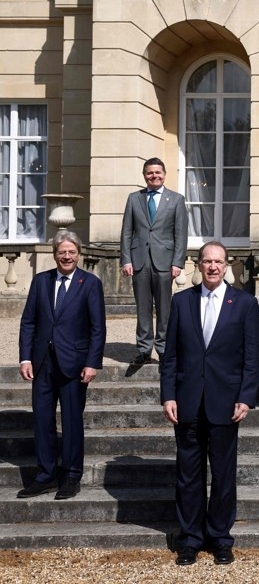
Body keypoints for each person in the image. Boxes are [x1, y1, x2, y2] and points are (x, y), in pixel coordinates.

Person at [160, 241, 259, 566]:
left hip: (226, 403)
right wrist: (168, 394)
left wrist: (246, 397)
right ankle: (190, 539)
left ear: (226, 265)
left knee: (222, 475)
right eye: (207, 261)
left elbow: (251, 358)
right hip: (187, 401)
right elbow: (170, 356)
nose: (213, 267)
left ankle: (220, 538)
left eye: (218, 262)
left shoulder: (244, 304)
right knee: (188, 475)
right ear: (199, 265)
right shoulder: (181, 302)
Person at [17, 231, 106, 500]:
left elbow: (97, 328)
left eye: (71, 252)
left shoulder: (89, 283)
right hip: (42, 364)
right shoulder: (40, 282)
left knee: (71, 421)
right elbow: (28, 322)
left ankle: (70, 476)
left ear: (78, 254)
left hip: (75, 365)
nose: (66, 256)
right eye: (61, 252)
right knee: (42, 420)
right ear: (54, 254)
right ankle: (45, 475)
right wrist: (25, 357)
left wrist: (92, 363)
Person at [120, 157, 188, 365]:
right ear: (144, 176)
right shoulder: (134, 199)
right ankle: (143, 349)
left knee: (164, 307)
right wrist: (126, 259)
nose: (154, 176)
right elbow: (126, 232)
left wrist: (178, 262)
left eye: (158, 172)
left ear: (164, 174)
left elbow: (180, 234)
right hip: (139, 261)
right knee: (143, 307)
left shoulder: (176, 200)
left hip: (165, 262)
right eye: (150, 173)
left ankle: (164, 348)